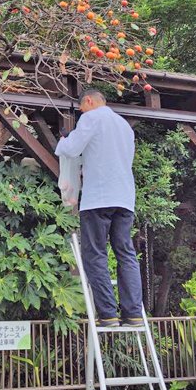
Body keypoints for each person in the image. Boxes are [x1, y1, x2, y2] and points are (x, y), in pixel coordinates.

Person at [55, 88, 143, 328]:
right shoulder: (124, 126)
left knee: (95, 254)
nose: (81, 112)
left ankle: (108, 315)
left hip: (98, 199)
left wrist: (63, 141)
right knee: (125, 253)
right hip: (125, 198)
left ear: (89, 101)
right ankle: (133, 314)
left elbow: (72, 149)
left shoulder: (91, 117)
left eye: (82, 107)